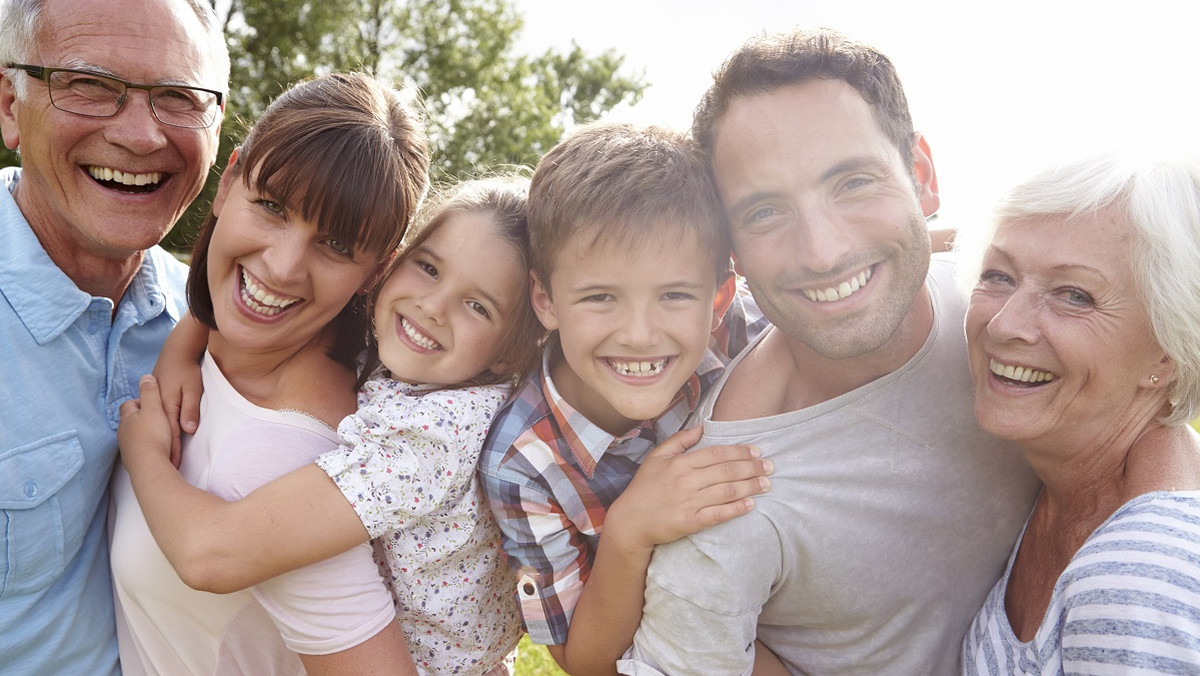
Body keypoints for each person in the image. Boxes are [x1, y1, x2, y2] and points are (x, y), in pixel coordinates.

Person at [618, 28, 1041, 675]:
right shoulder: (723, 503)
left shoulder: (1004, 317)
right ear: (731, 249)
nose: (822, 251)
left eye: (852, 182)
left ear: (922, 177)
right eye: (764, 213)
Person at [117, 174, 543, 675]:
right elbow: (254, 292)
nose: (433, 306)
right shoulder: (413, 349)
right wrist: (180, 354)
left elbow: (209, 557)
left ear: (511, 352)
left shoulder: (434, 437)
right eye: (428, 268)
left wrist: (144, 452)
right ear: (394, 264)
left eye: (478, 306)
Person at [108, 71, 432, 674]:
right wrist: (191, 334)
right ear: (230, 180)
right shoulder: (217, 339)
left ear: (376, 271)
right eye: (272, 207)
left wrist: (143, 455)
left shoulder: (283, 461)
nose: (282, 268)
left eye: (335, 245)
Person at [479, 121, 777, 676]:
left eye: (673, 295)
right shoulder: (524, 465)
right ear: (545, 299)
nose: (639, 334)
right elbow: (582, 661)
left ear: (718, 299)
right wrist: (629, 531)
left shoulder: (743, 333)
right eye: (599, 297)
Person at [0, 0, 229, 671]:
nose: (140, 136)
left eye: (179, 98)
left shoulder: (228, 327)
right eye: (90, 86)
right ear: (10, 105)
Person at [960, 154, 1200, 673]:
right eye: (999, 275)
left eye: (1074, 295)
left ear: (1169, 350)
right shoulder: (1058, 483)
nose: (1005, 325)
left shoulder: (1143, 574)